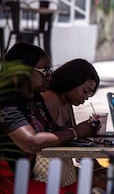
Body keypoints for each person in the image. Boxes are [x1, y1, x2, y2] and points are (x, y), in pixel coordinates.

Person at [0, 43, 99, 194]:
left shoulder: (34, 98)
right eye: (44, 71)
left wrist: (85, 130)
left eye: (50, 70)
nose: (50, 76)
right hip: (7, 182)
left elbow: (51, 131)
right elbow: (31, 142)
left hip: (25, 176)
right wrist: (76, 131)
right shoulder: (6, 101)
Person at [35, 58, 102, 189]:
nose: (86, 97)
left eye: (90, 94)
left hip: (62, 167)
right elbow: (48, 136)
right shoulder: (50, 98)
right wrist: (78, 131)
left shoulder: (67, 103)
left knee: (102, 176)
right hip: (48, 170)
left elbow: (71, 137)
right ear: (72, 82)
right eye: (85, 91)